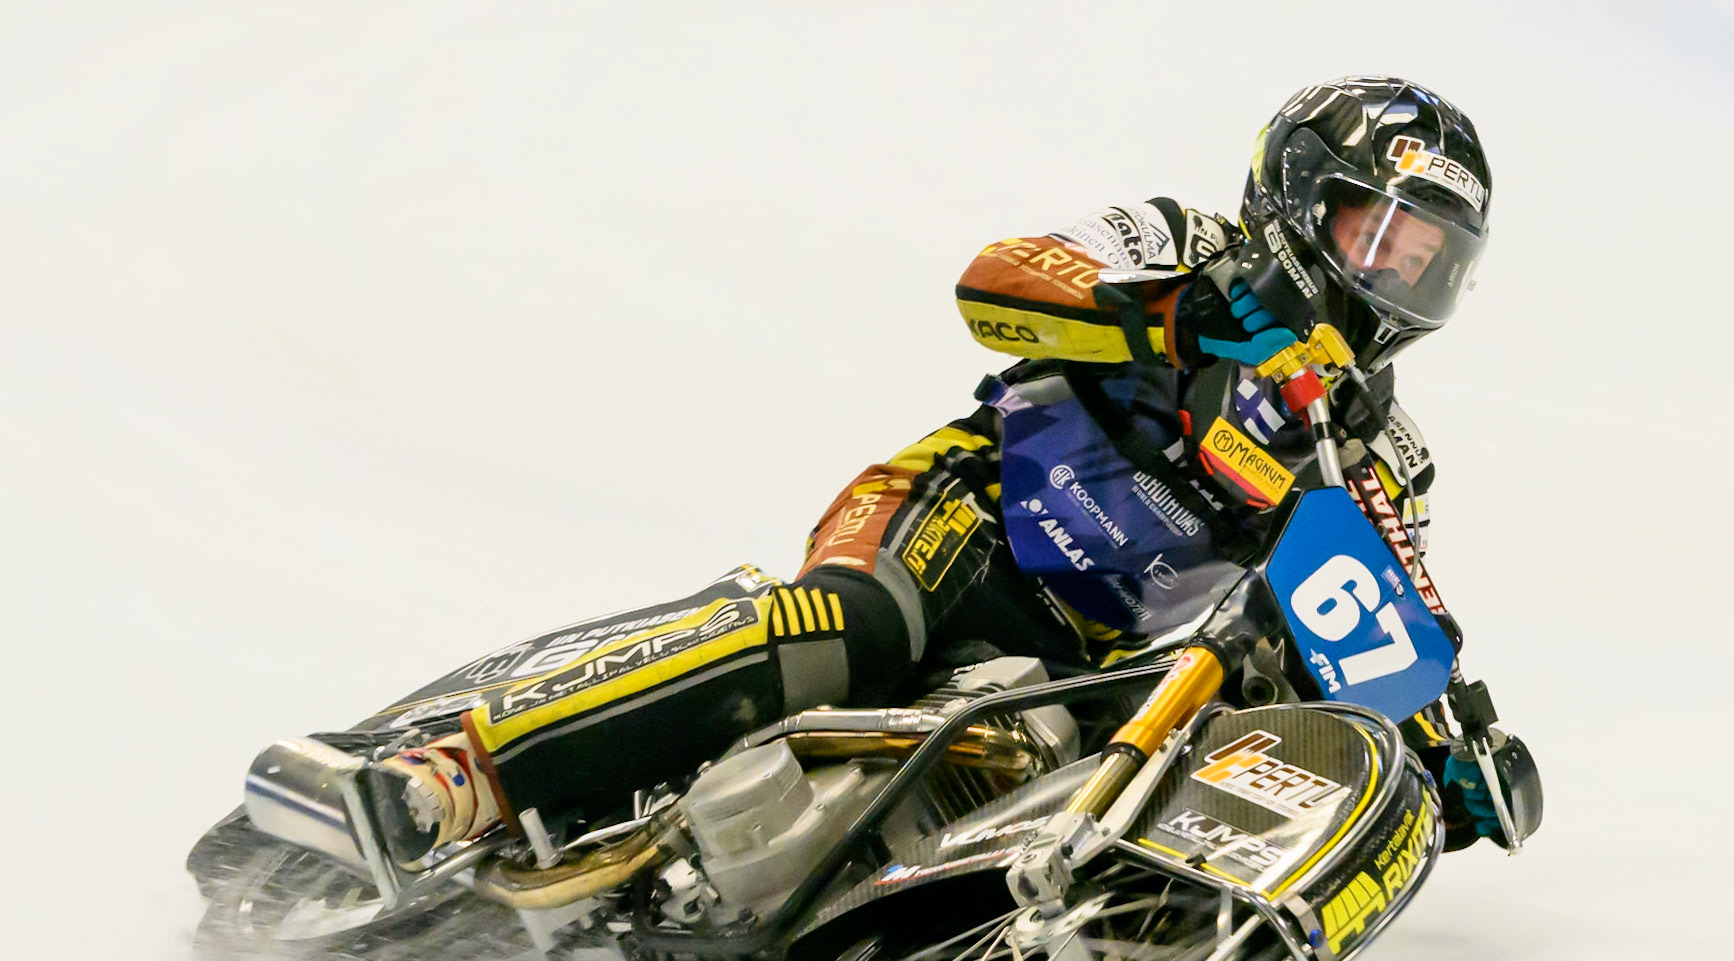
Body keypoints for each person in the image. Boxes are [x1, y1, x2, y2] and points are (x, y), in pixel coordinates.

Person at [366, 75, 1514, 867]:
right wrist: (1181, 317)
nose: (1390, 278)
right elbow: (997, 283)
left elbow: (1380, 600)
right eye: (1377, 235)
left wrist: (1443, 741)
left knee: (1102, 766)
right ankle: (466, 769)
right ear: (1297, 201)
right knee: (850, 627)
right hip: (961, 513)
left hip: (1080, 657)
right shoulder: (1185, 238)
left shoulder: (1375, 447)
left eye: (1424, 264)